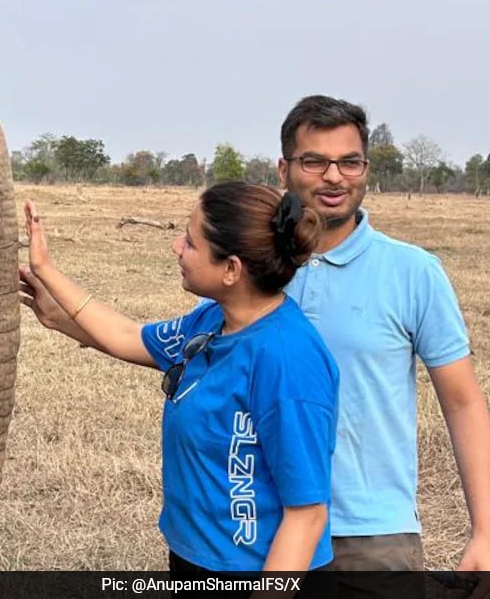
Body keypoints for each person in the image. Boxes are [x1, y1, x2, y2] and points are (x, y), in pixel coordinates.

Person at [20, 181, 340, 595]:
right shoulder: (209, 322)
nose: (175, 247)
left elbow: (307, 513)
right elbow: (127, 336)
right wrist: (51, 289)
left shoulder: (288, 361)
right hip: (197, 560)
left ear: (231, 269)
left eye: (190, 242)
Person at [276, 95, 490, 599]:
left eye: (349, 161)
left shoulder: (413, 272)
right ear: (285, 169)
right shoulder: (257, 265)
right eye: (315, 161)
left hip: (371, 534)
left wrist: (485, 533)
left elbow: (462, 401)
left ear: (365, 169)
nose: (334, 177)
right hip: (263, 521)